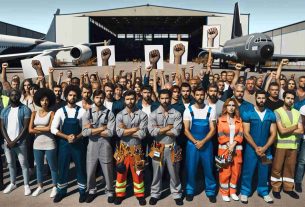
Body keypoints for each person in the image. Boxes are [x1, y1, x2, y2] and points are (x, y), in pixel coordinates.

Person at [51, 85, 87, 203]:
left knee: (81, 167)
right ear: (66, 96)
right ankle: (61, 192)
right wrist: (66, 136)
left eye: (74, 95)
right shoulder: (60, 111)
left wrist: (77, 137)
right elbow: (53, 129)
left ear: (77, 97)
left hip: (78, 144)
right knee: (63, 167)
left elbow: (86, 129)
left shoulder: (82, 111)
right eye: (70, 95)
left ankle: (82, 192)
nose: (72, 97)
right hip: (64, 144)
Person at [240, 90, 277, 204]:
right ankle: (245, 192)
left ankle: (263, 191)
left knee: (264, 170)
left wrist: (265, 148)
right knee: (248, 170)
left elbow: (273, 134)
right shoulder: (248, 113)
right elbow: (246, 133)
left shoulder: (271, 114)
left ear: (266, 99)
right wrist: (256, 147)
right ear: (256, 98)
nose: (261, 100)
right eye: (259, 98)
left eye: (263, 98)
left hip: (267, 149)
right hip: (251, 149)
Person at [148, 89, 183, 206]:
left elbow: (176, 132)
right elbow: (152, 132)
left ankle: (177, 193)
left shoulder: (177, 113)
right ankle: (155, 194)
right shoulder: (153, 114)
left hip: (172, 147)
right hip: (157, 147)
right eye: (162, 98)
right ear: (158, 99)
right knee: (156, 172)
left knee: (174, 172)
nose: (165, 100)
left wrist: (160, 129)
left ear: (170, 98)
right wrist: (169, 127)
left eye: (167, 98)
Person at [183, 87, 217, 203]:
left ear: (205, 95)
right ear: (194, 95)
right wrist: (195, 141)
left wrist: (203, 141)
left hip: (206, 144)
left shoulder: (210, 110)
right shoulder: (188, 110)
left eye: (202, 94)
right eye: (197, 94)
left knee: (208, 168)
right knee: (191, 168)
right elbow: (186, 130)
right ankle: (190, 190)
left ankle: (211, 191)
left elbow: (213, 129)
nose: (199, 97)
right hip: (192, 145)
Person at [114, 90, 147, 206]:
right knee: (121, 173)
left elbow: (142, 134)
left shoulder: (142, 115)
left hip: (137, 148)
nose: (130, 101)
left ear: (136, 98)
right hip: (123, 149)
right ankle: (119, 195)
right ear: (124, 100)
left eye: (132, 98)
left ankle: (140, 195)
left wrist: (125, 131)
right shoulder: (119, 115)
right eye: (127, 99)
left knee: (138, 173)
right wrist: (135, 129)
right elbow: (118, 133)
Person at [82, 89, 115, 203]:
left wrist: (92, 129)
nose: (99, 99)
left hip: (105, 144)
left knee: (107, 169)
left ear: (104, 98)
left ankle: (110, 190)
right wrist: (101, 128)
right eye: (97, 97)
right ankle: (91, 190)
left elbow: (110, 133)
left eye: (101, 97)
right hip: (92, 145)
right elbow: (85, 132)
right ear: (93, 98)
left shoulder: (109, 113)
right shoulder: (88, 112)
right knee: (90, 169)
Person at [271, 90, 304, 199]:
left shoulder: (297, 112)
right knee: (277, 168)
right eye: (288, 98)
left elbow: (301, 130)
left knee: (290, 168)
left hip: (293, 145)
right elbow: (281, 131)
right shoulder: (277, 111)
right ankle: (276, 189)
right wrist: (295, 127)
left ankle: (288, 188)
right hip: (280, 145)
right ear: (284, 98)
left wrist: (288, 129)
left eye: (292, 98)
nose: (290, 100)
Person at [1, 89, 31, 196]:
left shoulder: (25, 109)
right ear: (9, 96)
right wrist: (8, 141)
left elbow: (25, 128)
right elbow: (2, 127)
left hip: (20, 142)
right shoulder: (5, 110)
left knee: (23, 163)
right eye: (12, 95)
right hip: (7, 143)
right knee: (10, 163)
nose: (14, 96)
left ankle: (26, 185)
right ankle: (13, 183)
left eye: (16, 95)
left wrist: (15, 141)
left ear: (20, 96)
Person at [28, 88, 57, 197]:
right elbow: (30, 130)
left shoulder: (52, 113)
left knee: (52, 166)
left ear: (49, 101)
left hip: (49, 142)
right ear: (38, 101)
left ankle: (55, 187)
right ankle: (40, 186)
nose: (44, 102)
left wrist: (37, 128)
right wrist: (42, 128)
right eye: (42, 100)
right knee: (39, 167)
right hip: (37, 143)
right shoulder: (34, 113)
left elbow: (50, 128)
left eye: (46, 100)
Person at [217, 98, 243, 202]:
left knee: (236, 171)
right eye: (229, 105)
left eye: (233, 105)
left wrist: (234, 145)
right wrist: (229, 145)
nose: (231, 107)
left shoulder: (239, 120)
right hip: (223, 150)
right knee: (224, 171)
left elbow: (241, 133)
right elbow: (220, 134)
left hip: (237, 151)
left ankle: (233, 192)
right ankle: (224, 192)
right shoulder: (220, 119)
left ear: (235, 107)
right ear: (225, 107)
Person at [295, 103, 305, 192]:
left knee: (302, 161)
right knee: (299, 159)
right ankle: (296, 180)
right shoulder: (303, 108)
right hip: (300, 136)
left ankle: (297, 181)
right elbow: (301, 124)